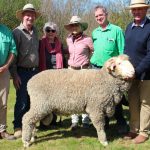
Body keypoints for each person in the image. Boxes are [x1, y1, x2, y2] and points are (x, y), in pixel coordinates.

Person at [90, 5, 128, 134]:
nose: (99, 18)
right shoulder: (95, 32)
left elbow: (123, 52)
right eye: (96, 16)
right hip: (96, 69)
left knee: (115, 98)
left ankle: (121, 123)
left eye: (101, 15)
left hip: (112, 71)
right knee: (100, 99)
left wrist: (120, 67)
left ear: (106, 14)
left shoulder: (116, 30)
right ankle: (104, 124)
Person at [10, 3, 40, 138]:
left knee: (32, 100)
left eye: (32, 15)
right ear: (23, 16)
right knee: (21, 100)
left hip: (35, 72)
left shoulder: (36, 31)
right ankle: (17, 126)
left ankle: (29, 126)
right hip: (22, 72)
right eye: (27, 15)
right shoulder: (16, 32)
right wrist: (15, 75)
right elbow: (13, 55)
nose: (30, 17)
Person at [124, 0, 150, 144]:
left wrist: (137, 71)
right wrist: (125, 69)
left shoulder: (149, 27)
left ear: (145, 10)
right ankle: (133, 129)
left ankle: (144, 132)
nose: (137, 12)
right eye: (134, 10)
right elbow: (127, 51)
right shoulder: (129, 27)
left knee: (146, 103)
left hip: (146, 74)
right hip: (130, 74)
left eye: (140, 9)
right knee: (132, 101)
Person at [64, 15, 93, 130]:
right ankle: (74, 121)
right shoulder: (68, 39)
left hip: (84, 70)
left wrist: (88, 61)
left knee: (85, 96)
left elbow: (93, 52)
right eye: (72, 25)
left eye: (76, 25)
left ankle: (86, 121)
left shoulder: (88, 39)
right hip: (71, 70)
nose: (74, 27)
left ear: (81, 27)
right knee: (72, 96)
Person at [38, 21, 64, 129]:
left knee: (55, 99)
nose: (50, 32)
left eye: (53, 30)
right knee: (44, 99)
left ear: (56, 32)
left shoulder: (59, 44)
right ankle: (43, 123)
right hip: (45, 75)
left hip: (56, 75)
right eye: (48, 30)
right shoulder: (41, 42)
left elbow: (64, 56)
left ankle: (53, 121)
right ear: (45, 31)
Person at [0, 24, 17, 140]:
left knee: (4, 102)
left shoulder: (7, 31)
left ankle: (2, 130)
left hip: (3, 71)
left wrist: (6, 66)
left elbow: (13, 50)